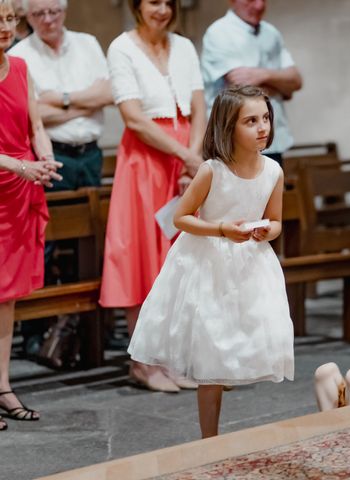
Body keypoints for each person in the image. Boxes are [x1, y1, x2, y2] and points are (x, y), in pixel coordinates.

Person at [127, 85, 294, 438]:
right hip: (207, 264)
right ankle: (209, 439)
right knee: (210, 353)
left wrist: (268, 231)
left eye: (265, 118)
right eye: (251, 121)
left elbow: (277, 220)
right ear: (228, 126)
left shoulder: (273, 171)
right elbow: (181, 218)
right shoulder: (211, 171)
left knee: (238, 341)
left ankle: (225, 403)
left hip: (250, 266)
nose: (262, 126)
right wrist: (219, 228)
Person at [100, 0, 205, 392]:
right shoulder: (122, 47)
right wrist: (185, 156)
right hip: (146, 160)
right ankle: (143, 362)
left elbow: (198, 107)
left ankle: (173, 359)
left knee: (181, 258)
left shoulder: (184, 46)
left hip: (184, 159)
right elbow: (134, 118)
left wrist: (192, 162)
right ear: (136, 6)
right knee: (144, 256)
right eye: (152, 2)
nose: (161, 10)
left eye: (168, 2)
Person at [0, 0, 62, 431]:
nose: (5, 27)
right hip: (9, 175)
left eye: (9, 18)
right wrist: (22, 166)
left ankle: (2, 385)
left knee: (7, 297)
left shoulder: (20, 67)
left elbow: (36, 125)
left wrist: (47, 160)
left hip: (18, 193)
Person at [10, 0, 112, 192]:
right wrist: (88, 104)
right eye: (39, 14)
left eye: (53, 12)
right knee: (60, 219)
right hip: (51, 155)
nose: (48, 20)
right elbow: (31, 115)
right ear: (28, 17)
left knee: (96, 219)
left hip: (92, 153)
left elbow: (109, 94)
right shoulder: (18, 55)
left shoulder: (87, 43)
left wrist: (59, 99)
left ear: (64, 12)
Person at [201, 0, 302, 164]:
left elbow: (296, 81)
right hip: (235, 144)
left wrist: (263, 75)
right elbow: (241, 91)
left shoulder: (271, 33)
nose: (259, 5)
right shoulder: (219, 32)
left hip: (272, 142)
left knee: (274, 189)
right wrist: (281, 85)